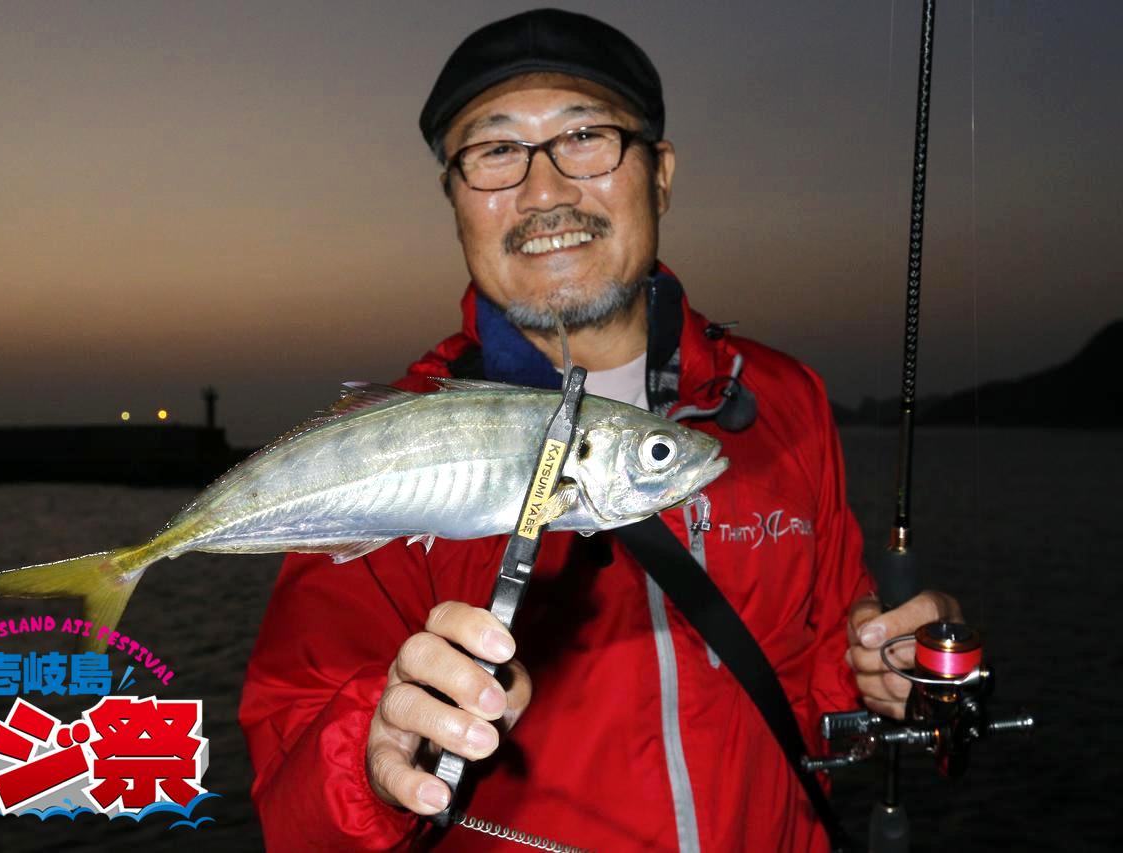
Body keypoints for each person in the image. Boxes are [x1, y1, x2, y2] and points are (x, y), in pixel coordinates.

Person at [239, 9, 959, 851]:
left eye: (585, 136)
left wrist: (881, 670)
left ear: (660, 175)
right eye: (496, 152)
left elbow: (811, 674)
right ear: (455, 202)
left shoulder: (782, 399)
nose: (543, 192)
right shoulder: (380, 447)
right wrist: (370, 757)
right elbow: (292, 793)